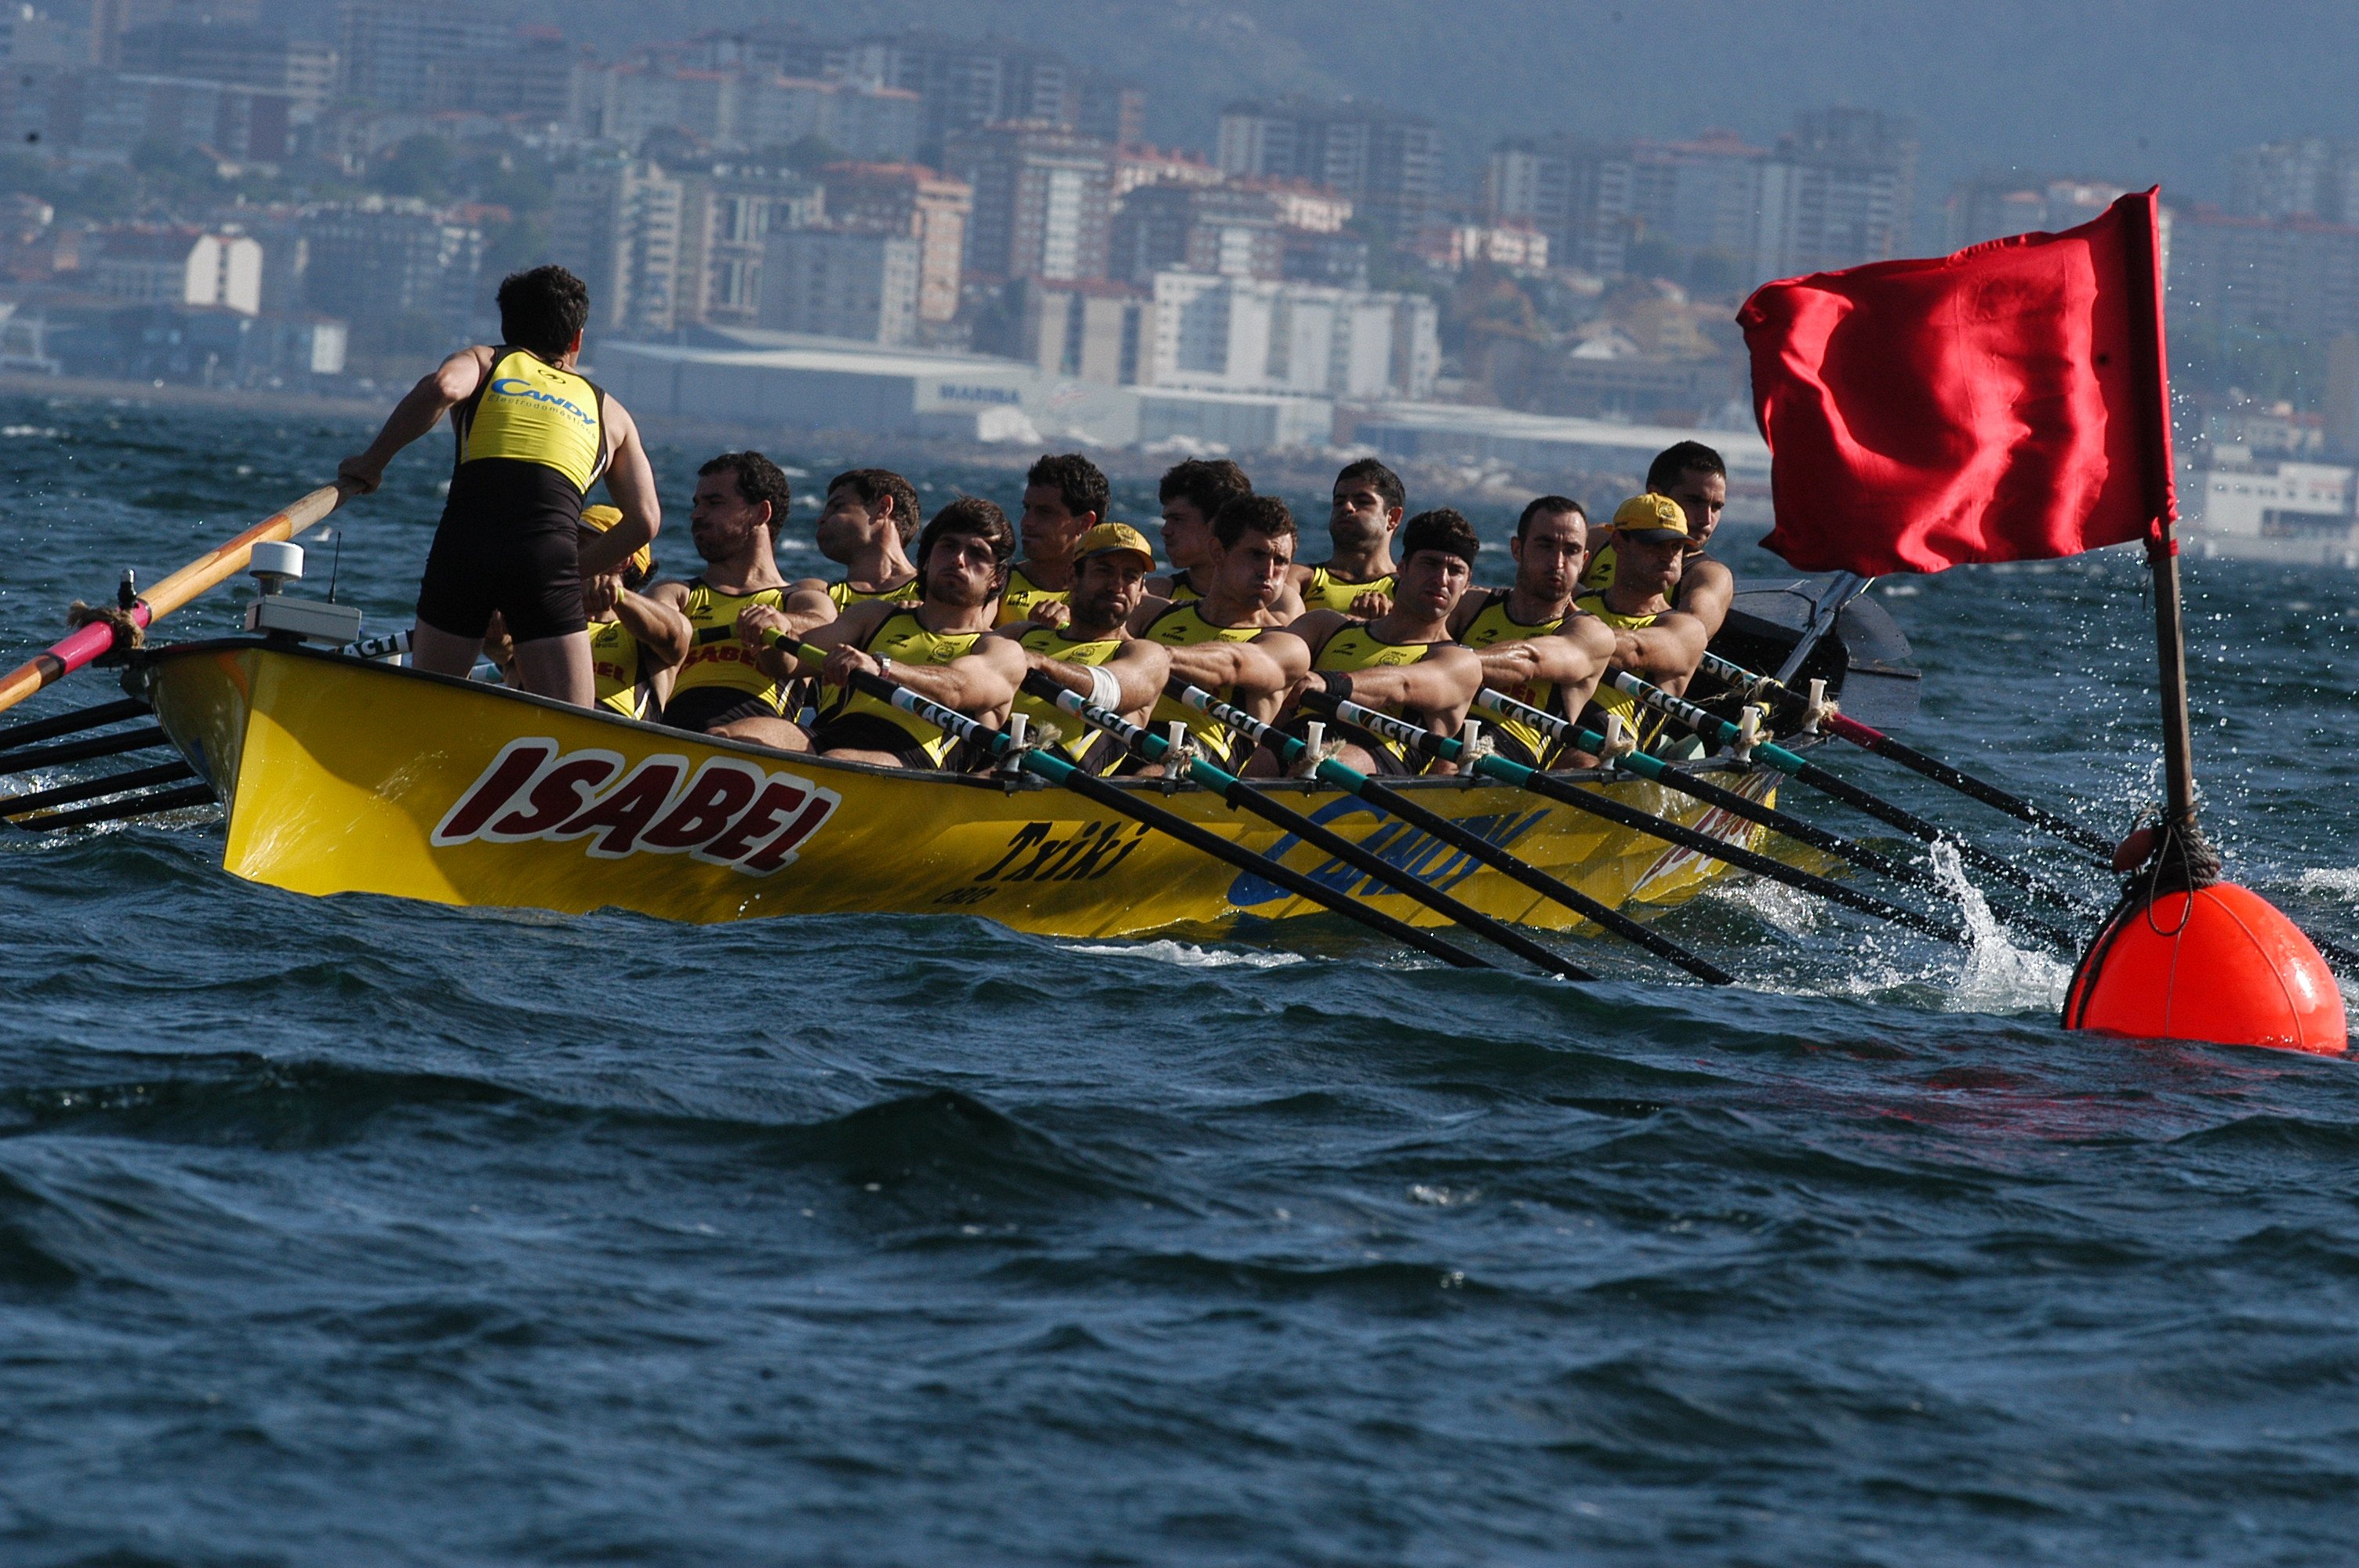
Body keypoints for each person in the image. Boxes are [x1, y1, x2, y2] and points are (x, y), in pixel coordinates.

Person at [334, 264, 660, 706]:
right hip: (547, 559)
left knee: (428, 708)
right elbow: (645, 521)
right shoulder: (612, 413)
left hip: (464, 549)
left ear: (507, 328)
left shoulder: (487, 360)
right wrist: (572, 575)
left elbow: (442, 387)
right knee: (571, 721)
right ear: (577, 340)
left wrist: (373, 464)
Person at [725, 497, 1027, 768]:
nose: (959, 560)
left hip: (913, 759)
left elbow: (956, 688)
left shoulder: (1001, 651)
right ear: (926, 560)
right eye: (948, 546)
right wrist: (772, 636)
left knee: (836, 763)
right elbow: (788, 665)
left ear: (997, 578)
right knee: (731, 735)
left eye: (977, 553)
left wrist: (880, 667)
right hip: (831, 735)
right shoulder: (875, 616)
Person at [1263, 507, 1485, 778]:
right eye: (1430, 564)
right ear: (1401, 568)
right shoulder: (1326, 627)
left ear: (1466, 584)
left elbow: (1402, 685)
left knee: (1325, 766)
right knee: (1256, 755)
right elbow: (1264, 660)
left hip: (1375, 760)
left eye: (1455, 570)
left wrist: (1331, 684)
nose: (1441, 579)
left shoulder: (1459, 662)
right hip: (1290, 743)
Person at [1132, 494, 1314, 775]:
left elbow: (1233, 664)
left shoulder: (1286, 645)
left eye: (1280, 561)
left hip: (1201, 758)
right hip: (1125, 736)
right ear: (1218, 552)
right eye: (1257, 555)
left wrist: (1153, 656)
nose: (1268, 572)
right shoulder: (1152, 614)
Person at [1447, 496, 1616, 768]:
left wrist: (1448, 668)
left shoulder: (1590, 633)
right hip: (1441, 728)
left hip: (1516, 753)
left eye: (1571, 551)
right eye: (1545, 546)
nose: (1558, 562)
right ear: (1517, 549)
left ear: (1584, 560)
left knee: (1445, 765)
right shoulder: (1472, 606)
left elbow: (1529, 660)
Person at [991, 523, 1172, 776]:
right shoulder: (1021, 634)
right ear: (1071, 578)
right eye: (1104, 571)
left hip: (1053, 773)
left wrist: (1042, 665)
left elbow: (1110, 690)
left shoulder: (1144, 654)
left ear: (1141, 591)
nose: (1116, 586)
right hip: (989, 751)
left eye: (1130, 576)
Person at [645, 452, 796, 733]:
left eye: (714, 503)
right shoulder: (676, 593)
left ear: (761, 513)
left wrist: (783, 623)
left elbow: (821, 624)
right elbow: (655, 626)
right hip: (673, 729)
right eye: (697, 504)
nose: (696, 514)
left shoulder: (799, 599)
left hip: (758, 735)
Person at [1576, 494, 1711, 755]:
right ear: (1618, 543)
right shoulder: (1578, 603)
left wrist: (1559, 648)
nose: (1668, 556)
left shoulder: (1685, 631)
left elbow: (1634, 651)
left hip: (1610, 746)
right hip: (1548, 726)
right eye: (1655, 544)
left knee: (1579, 756)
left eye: (1676, 547)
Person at [1581, 440, 1736, 638]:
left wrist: (1590, 643)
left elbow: (1687, 642)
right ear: (1657, 496)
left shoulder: (1709, 576)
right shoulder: (1600, 539)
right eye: (1695, 501)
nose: (1706, 520)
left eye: (1716, 507)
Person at [578, 504, 691, 720]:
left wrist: (617, 596)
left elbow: (675, 636)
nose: (567, 552)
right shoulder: (548, 620)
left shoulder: (647, 634)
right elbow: (501, 649)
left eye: (580, 543)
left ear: (623, 561)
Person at [997, 452, 1110, 627]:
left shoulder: (1116, 595)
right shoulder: (998, 583)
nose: (1027, 522)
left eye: (1045, 512)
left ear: (1085, 522)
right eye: (1027, 508)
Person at [788, 467, 923, 611]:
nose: (821, 519)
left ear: (883, 508)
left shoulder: (932, 595)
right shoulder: (815, 595)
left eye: (838, 506)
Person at [1290, 457, 1405, 615]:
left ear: (1393, 517)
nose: (1347, 507)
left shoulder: (1406, 590)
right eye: (1339, 502)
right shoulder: (1300, 578)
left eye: (1362, 501)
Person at [1145, 457, 1249, 604]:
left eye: (1178, 519)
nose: (1165, 531)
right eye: (1166, 520)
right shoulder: (1154, 595)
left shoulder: (1274, 603)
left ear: (1219, 522)